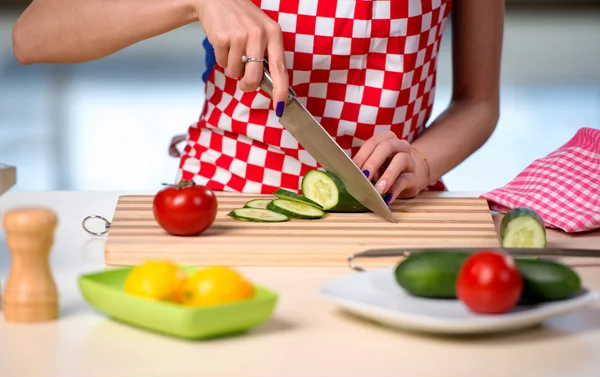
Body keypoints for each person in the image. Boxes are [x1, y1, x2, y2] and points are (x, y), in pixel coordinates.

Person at [12, 0, 503, 204]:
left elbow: (478, 104)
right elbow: (33, 35)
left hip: (391, 203)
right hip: (223, 198)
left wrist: (421, 159)